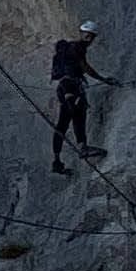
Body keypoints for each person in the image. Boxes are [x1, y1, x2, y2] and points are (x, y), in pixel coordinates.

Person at [49, 24, 106, 174]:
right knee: (78, 116)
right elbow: (85, 67)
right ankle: (83, 147)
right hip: (72, 86)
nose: (88, 39)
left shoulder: (66, 49)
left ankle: (56, 161)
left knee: (63, 122)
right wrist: (102, 79)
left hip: (63, 87)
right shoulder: (78, 48)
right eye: (89, 36)